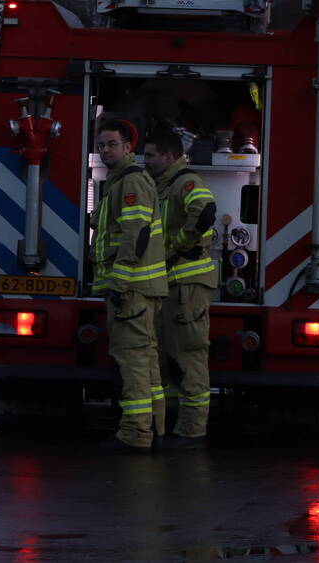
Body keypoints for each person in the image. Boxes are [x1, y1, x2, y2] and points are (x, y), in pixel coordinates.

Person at [91, 119, 168, 454]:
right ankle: (156, 429)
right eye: (101, 145)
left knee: (133, 362)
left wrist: (119, 282)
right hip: (142, 290)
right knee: (147, 363)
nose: (106, 150)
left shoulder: (131, 181)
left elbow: (134, 234)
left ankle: (136, 435)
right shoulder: (121, 180)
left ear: (128, 147)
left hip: (131, 291)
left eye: (112, 144)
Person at [143, 130, 217, 449]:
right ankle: (172, 421)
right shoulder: (163, 185)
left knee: (189, 358)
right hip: (168, 285)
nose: (144, 161)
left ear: (169, 157)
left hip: (186, 285)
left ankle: (192, 431)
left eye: (149, 155)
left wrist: (181, 245)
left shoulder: (186, 183)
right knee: (165, 360)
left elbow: (205, 210)